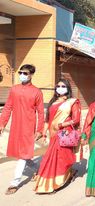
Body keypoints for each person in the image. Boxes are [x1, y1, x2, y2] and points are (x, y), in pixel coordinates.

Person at [0, 64, 44, 195]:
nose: (22, 75)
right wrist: (2, 123)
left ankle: (15, 182)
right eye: (21, 72)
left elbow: (41, 112)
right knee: (22, 154)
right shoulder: (14, 89)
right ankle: (39, 169)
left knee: (23, 154)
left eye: (25, 73)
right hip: (16, 127)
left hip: (28, 127)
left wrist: (40, 130)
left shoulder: (37, 92)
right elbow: (8, 107)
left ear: (31, 75)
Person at [34, 79, 81, 194]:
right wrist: (44, 133)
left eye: (63, 86)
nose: (60, 88)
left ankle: (58, 182)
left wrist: (61, 125)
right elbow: (47, 119)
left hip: (64, 133)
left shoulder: (72, 102)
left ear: (68, 88)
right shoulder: (52, 101)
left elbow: (76, 119)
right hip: (53, 134)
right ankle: (52, 181)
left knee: (61, 158)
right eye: (58, 86)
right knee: (51, 157)